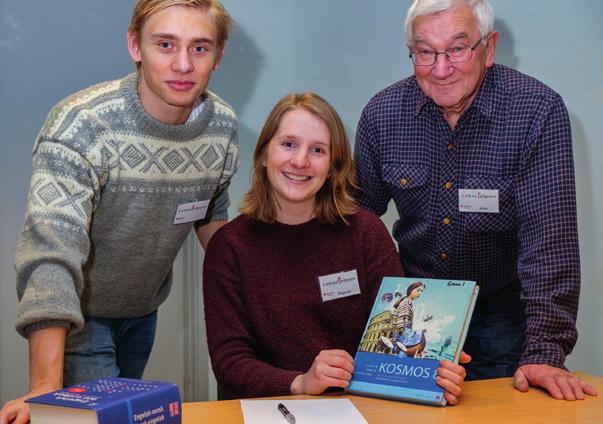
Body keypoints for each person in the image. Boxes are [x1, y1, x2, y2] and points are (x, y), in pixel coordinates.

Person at [1, 1, 237, 423]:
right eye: (165, 44)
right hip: (81, 314)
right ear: (135, 46)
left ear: (218, 57)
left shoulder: (222, 126)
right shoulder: (81, 124)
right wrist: (43, 388)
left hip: (143, 309)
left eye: (200, 48)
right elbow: (51, 253)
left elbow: (211, 212)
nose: (182, 64)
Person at [354, 0, 597, 401]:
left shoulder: (536, 110)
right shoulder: (383, 114)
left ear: (489, 47)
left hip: (501, 310)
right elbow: (355, 221)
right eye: (425, 52)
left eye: (457, 49)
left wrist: (544, 351)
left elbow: (548, 243)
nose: (441, 68)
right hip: (418, 312)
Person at [203, 92, 468, 404]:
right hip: (267, 409)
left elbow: (395, 330)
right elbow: (230, 364)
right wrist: (300, 382)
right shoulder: (229, 247)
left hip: (357, 407)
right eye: (288, 144)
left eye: (318, 150)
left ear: (332, 166)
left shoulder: (365, 233)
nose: (300, 161)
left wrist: (431, 365)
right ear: (263, 154)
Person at [392, 281, 425, 349]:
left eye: (421, 291)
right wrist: (404, 332)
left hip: (399, 332)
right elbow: (403, 318)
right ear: (411, 290)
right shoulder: (406, 302)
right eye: (418, 290)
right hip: (401, 333)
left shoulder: (406, 301)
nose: (420, 293)